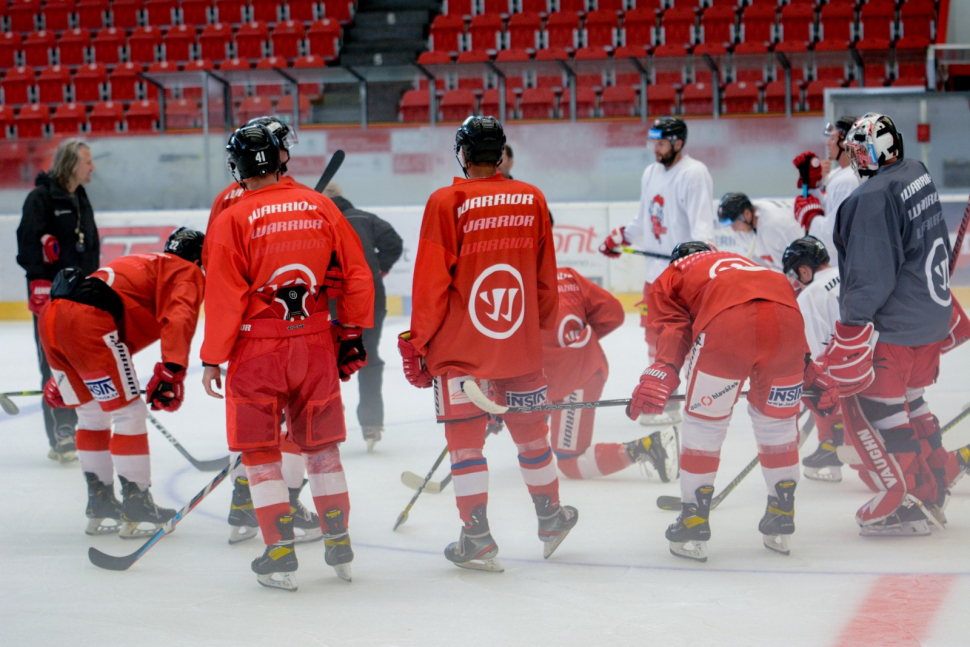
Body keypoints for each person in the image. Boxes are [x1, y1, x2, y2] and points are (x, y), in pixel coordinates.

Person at [397, 116, 577, 573]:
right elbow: (544, 280)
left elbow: (432, 284)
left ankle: (476, 536)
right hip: (517, 343)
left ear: (462, 152)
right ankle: (551, 518)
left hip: (462, 350)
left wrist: (418, 342)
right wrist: (535, 333)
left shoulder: (446, 201)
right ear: (500, 154)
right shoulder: (531, 197)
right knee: (533, 434)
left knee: (465, 445)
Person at [201, 124, 374, 591]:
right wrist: (352, 332)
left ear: (238, 166)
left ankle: (279, 553)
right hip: (316, 340)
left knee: (261, 453)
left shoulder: (231, 216)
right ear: (281, 158)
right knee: (321, 447)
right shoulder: (320, 205)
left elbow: (221, 295)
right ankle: (338, 540)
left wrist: (212, 356)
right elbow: (357, 275)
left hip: (257, 347)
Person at [627, 242, 838, 562]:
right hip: (785, 325)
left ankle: (694, 519)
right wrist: (807, 370)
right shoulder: (746, 263)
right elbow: (782, 312)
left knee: (704, 423)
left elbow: (674, 327)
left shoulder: (672, 274)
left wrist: (665, 369)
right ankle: (781, 513)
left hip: (728, 327)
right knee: (778, 423)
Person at [205, 116, 330, 546]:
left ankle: (247, 502)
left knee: (260, 426)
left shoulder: (235, 197)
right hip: (288, 330)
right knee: (293, 425)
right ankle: (284, 505)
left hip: (250, 334)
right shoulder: (275, 199)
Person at [829, 112, 953, 535]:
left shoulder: (872, 197)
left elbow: (870, 274)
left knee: (878, 413)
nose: (854, 159)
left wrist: (850, 329)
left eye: (858, 151)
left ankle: (912, 498)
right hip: (932, 318)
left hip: (897, 329)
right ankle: (938, 474)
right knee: (913, 402)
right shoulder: (915, 171)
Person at [38, 228, 205, 538]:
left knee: (90, 414)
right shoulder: (186, 270)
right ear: (197, 258)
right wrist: (172, 370)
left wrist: (65, 377)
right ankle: (137, 503)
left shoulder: (142, 262)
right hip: (90, 322)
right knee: (129, 413)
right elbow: (179, 316)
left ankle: (100, 503)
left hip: (53, 319)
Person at [598, 116, 715, 426]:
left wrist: (695, 266)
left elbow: (703, 230)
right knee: (654, 338)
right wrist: (621, 235)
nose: (655, 149)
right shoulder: (651, 172)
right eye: (652, 142)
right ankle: (663, 398)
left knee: (683, 340)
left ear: (677, 143)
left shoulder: (694, 173)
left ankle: (690, 398)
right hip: (655, 276)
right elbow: (644, 222)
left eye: (660, 143)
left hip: (682, 276)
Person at [543, 266, 676, 481]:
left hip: (574, 378)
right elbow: (612, 312)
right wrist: (579, 341)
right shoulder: (566, 274)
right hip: (580, 368)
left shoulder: (511, 286)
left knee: (570, 463)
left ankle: (647, 447)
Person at [16, 138, 100, 462]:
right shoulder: (40, 198)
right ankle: (62, 432)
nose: (93, 167)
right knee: (53, 363)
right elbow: (26, 244)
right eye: (88, 162)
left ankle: (83, 425)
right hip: (50, 297)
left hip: (81, 295)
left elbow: (88, 245)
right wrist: (38, 281)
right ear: (70, 164)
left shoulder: (79, 196)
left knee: (81, 362)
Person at [323, 183, 403, 451]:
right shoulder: (365, 218)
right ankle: (371, 422)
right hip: (370, 300)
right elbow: (394, 242)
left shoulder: (316, 221)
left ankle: (327, 421)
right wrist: (380, 268)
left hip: (330, 303)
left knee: (326, 363)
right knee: (367, 356)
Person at [791, 116, 861, 268]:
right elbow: (830, 210)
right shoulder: (840, 174)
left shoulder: (847, 181)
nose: (827, 143)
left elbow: (832, 235)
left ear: (844, 143)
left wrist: (811, 217)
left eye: (832, 138)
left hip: (845, 266)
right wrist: (812, 185)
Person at [717, 193, 805, 273]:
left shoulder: (775, 225)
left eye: (735, 224)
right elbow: (757, 266)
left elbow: (801, 265)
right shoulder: (744, 229)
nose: (734, 229)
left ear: (747, 214)